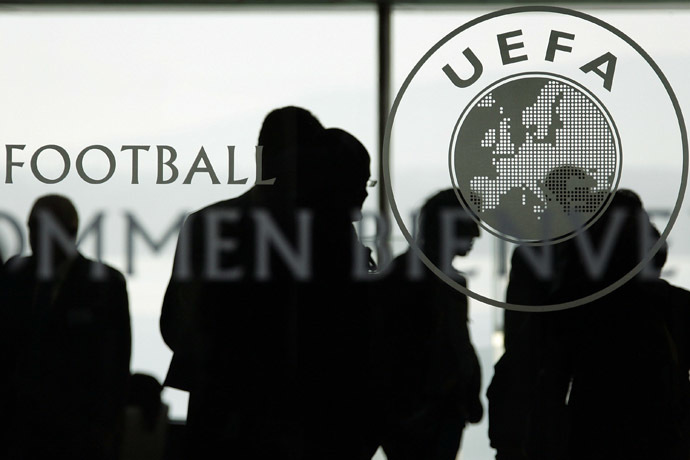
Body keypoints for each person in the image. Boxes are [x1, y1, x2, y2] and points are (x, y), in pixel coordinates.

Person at [160, 106, 325, 459]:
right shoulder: (322, 237)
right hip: (297, 420)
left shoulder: (207, 224)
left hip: (216, 413)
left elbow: (175, 325)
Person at [0, 195, 131, 460]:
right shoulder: (12, 277)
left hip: (76, 429)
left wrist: (106, 425)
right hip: (18, 425)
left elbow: (115, 365)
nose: (37, 235)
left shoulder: (105, 286)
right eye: (34, 226)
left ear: (71, 231)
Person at [369, 189, 483, 460]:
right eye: (470, 223)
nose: (477, 234)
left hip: (428, 412)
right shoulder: (414, 280)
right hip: (424, 413)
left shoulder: (409, 276)